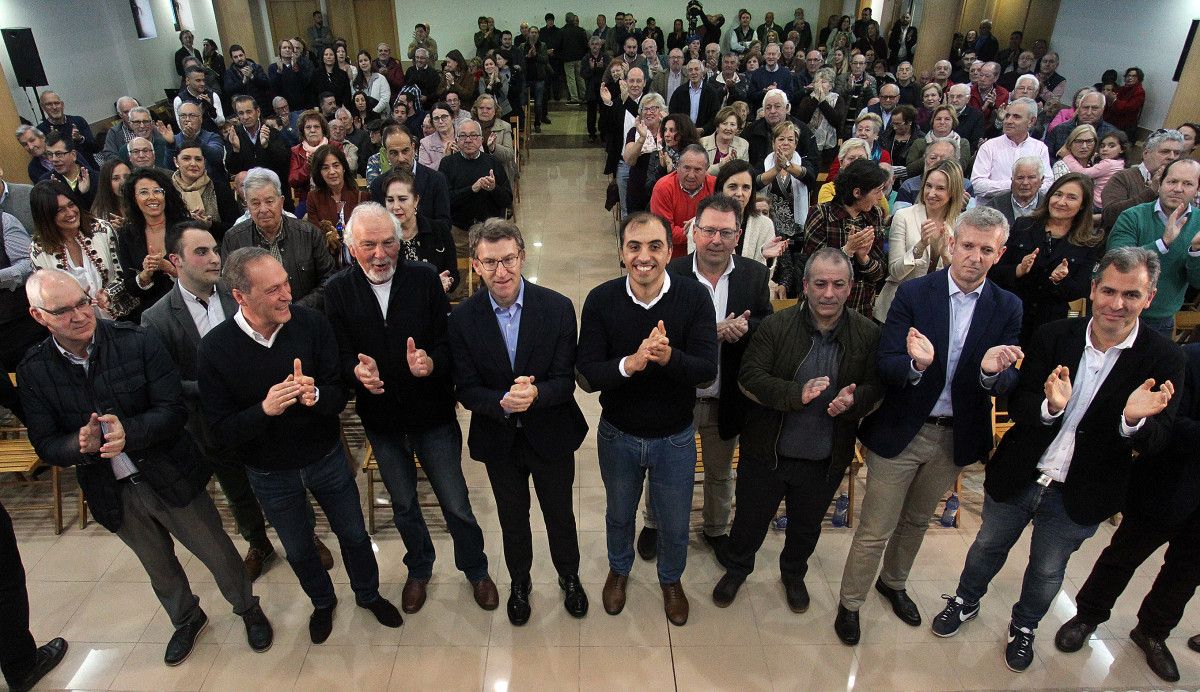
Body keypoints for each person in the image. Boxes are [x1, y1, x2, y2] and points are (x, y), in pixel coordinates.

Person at [932, 245, 1184, 671]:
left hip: (1082, 492)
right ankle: (965, 600)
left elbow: (1158, 440)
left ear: (1150, 298)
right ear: (1092, 289)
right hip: (1021, 472)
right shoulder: (1054, 336)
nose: (1116, 304)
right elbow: (1021, 401)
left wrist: (1131, 421)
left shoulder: (1164, 358)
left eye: (1131, 295)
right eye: (1108, 291)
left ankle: (1025, 626)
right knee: (987, 546)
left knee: (1048, 571)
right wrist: (1050, 408)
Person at [20, 267, 274, 665]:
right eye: (63, 311)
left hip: (169, 474)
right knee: (157, 563)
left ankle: (247, 607)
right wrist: (77, 444)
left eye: (83, 302)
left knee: (216, 551)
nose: (80, 315)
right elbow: (45, 443)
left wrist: (130, 434)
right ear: (39, 316)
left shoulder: (135, 341)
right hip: (111, 490)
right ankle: (186, 618)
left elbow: (173, 410)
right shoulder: (35, 370)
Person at [834, 206, 1023, 646]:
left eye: (986, 250)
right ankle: (850, 603)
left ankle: (893, 584)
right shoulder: (916, 294)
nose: (975, 257)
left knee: (918, 520)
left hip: (954, 436)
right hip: (902, 429)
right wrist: (916, 365)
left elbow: (1010, 377)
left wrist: (992, 374)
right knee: (875, 528)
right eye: (968, 246)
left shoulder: (1008, 305)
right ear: (952, 244)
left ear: (1000, 254)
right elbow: (888, 363)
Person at [197, 247, 400, 643]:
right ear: (240, 296)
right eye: (273, 289)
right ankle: (323, 603)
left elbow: (340, 395)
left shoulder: (311, 325)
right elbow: (219, 432)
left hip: (325, 458)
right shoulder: (215, 349)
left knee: (355, 535)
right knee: (299, 548)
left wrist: (317, 397)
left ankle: (368, 594)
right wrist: (264, 410)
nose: (287, 294)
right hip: (270, 472)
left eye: (287, 282)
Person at [324, 203, 496, 615]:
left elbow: (446, 343)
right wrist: (354, 372)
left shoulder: (423, 280)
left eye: (388, 243)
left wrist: (431, 363)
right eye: (369, 245)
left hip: (433, 416)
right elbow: (338, 354)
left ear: (400, 242)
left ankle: (476, 569)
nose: (380, 254)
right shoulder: (336, 291)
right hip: (381, 422)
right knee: (403, 504)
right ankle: (419, 567)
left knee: (455, 502)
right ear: (351, 247)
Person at [715, 246, 882, 609]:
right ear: (804, 286)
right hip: (767, 453)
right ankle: (737, 569)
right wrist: (795, 393)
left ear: (850, 288)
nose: (828, 293)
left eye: (838, 285)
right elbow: (749, 377)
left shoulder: (867, 334)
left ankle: (792, 574)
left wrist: (855, 401)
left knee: (806, 529)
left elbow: (876, 388)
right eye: (820, 283)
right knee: (748, 522)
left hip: (824, 457)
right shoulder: (776, 325)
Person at [576, 211, 718, 626]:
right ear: (622, 252)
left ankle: (670, 580)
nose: (644, 256)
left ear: (669, 249)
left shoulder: (693, 298)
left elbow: (707, 369)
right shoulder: (602, 299)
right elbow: (586, 375)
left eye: (655, 246)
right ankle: (619, 570)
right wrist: (630, 364)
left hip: (675, 437)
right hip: (618, 434)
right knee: (619, 513)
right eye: (634, 246)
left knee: (674, 521)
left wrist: (668, 356)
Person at [446, 217, 588, 625]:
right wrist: (504, 402)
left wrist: (536, 394)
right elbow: (466, 388)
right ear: (475, 265)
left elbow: (565, 381)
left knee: (560, 514)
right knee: (512, 518)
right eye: (490, 263)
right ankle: (520, 582)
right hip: (499, 439)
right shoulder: (462, 320)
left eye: (509, 259)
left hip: (551, 434)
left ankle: (570, 577)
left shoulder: (558, 308)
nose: (501, 271)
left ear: (522, 257)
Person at [1056, 343, 1200, 682]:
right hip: (1169, 484)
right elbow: (1168, 425)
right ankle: (1087, 616)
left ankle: (1153, 631)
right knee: (1122, 556)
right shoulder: (1188, 359)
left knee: (1187, 572)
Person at [646, 194, 772, 558]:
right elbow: (656, 329)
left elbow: (765, 322)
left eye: (726, 232)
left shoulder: (754, 274)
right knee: (663, 468)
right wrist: (709, 331)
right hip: (678, 394)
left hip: (725, 395)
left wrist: (744, 329)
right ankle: (654, 523)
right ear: (694, 232)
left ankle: (716, 528)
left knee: (719, 472)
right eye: (709, 231)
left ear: (738, 235)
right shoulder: (671, 274)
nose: (716, 239)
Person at [990, 173, 1104, 344]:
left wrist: (1060, 280)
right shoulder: (1023, 226)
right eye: (1058, 194)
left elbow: (1083, 292)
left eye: (1071, 197)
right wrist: (1018, 270)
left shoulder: (1089, 244)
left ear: (1082, 205)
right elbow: (993, 272)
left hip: (1053, 329)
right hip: (1011, 320)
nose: (1061, 202)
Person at [1107, 158, 1200, 336]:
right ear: (1160, 183)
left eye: (1187, 183)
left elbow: (1197, 282)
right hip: (1116, 312)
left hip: (1160, 321)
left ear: (1197, 189)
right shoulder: (1132, 216)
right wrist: (1163, 242)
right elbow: (1116, 262)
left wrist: (1196, 252)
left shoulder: (1198, 223)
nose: (1178, 188)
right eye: (1172, 181)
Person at [222, 168, 337, 310]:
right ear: (247, 206)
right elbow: (229, 289)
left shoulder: (309, 233)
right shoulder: (234, 239)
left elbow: (329, 279)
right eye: (255, 203)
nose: (263, 209)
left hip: (306, 316)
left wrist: (298, 309)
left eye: (269, 201)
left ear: (281, 201)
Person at [876, 159, 965, 321]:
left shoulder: (959, 225)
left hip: (935, 311)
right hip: (898, 308)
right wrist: (921, 245)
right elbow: (895, 272)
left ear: (953, 191)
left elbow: (960, 279)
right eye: (928, 186)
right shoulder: (904, 216)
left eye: (940, 188)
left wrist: (946, 257)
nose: (931, 193)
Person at [798, 159, 889, 317]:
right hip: (821, 309)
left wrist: (863, 258)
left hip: (860, 310)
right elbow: (812, 268)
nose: (880, 197)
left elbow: (879, 273)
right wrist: (847, 251)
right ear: (857, 193)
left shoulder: (876, 215)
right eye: (877, 191)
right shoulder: (820, 214)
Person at [28, 180, 126, 318]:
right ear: (45, 216)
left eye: (71, 205)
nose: (70, 213)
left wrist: (109, 294)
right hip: (76, 324)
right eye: (60, 210)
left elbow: (125, 273)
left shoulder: (102, 230)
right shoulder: (38, 250)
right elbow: (47, 299)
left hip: (121, 316)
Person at [439, 119, 513, 253]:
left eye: (473, 135)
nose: (468, 140)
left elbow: (507, 199)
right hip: (459, 234)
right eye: (463, 136)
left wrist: (493, 188)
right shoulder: (447, 164)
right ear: (457, 140)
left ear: (481, 139)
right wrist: (472, 189)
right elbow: (444, 200)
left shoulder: (492, 162)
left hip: (491, 232)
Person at [379, 169, 457, 293]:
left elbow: (453, 276)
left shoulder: (439, 230)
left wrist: (446, 282)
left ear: (416, 200)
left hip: (434, 307)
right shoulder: (379, 237)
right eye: (390, 200)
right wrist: (431, 286)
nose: (396, 206)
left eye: (402, 199)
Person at [703, 158, 787, 268]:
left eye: (746, 187)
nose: (739, 193)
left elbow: (763, 278)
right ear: (720, 189)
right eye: (732, 187)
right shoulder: (702, 223)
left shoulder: (765, 225)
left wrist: (763, 257)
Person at [367, 123, 452, 227]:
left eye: (405, 151)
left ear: (413, 147)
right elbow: (377, 226)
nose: (401, 158)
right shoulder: (377, 185)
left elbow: (444, 224)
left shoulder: (436, 180)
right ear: (386, 153)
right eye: (394, 153)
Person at [1101, 129, 1185, 230]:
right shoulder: (1123, 177)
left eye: (1176, 153)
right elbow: (1109, 216)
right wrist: (1151, 191)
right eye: (1165, 152)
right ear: (1146, 153)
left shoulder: (1181, 185)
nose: (1172, 157)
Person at [971, 98, 1052, 200]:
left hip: (1028, 211)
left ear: (1031, 121)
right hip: (991, 210)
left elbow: (1048, 184)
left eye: (1016, 117)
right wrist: (1016, 185)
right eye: (1007, 116)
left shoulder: (1040, 148)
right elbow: (977, 186)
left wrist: (1020, 186)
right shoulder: (989, 146)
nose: (1008, 121)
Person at [224, 95, 293, 210]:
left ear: (258, 111)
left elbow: (284, 162)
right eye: (241, 113)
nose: (245, 117)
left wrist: (267, 146)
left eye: (249, 112)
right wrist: (236, 150)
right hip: (250, 197)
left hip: (276, 193)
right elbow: (231, 169)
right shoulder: (234, 135)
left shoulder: (273, 133)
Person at [650, 144, 715, 259]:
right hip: (672, 259)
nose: (691, 175)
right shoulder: (663, 188)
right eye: (686, 168)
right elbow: (664, 231)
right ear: (677, 166)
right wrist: (704, 232)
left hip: (706, 257)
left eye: (698, 170)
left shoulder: (716, 186)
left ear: (707, 169)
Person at [305, 144, 365, 266]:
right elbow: (315, 236)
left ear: (343, 168)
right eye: (325, 168)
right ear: (319, 172)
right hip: (328, 263)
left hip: (359, 262)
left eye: (336, 165)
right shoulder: (313, 198)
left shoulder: (361, 196)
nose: (332, 172)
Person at [171, 138, 239, 240]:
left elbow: (235, 227)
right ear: (176, 162)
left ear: (204, 162)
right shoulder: (168, 189)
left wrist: (210, 225)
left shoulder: (219, 188)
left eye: (198, 159)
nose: (193, 164)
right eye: (186, 158)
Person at [36, 91, 100, 170]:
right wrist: (53, 142)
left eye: (56, 103)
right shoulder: (41, 130)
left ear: (62, 105)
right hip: (65, 176)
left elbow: (96, 148)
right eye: (49, 104)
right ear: (43, 107)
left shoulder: (78, 121)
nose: (54, 107)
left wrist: (80, 139)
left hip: (90, 170)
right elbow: (46, 161)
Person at [983, 156, 1047, 225]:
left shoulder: (1048, 206)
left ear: (1041, 180)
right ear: (1012, 180)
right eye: (1020, 178)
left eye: (1031, 177)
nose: (1025, 182)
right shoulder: (994, 206)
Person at [43, 132, 97, 210]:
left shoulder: (95, 178)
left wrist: (86, 193)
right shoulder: (46, 183)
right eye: (50, 154)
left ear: (73, 155)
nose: (54, 159)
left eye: (59, 154)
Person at [669, 60, 720, 135]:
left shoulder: (711, 92)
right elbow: (673, 113)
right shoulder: (679, 92)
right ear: (687, 73)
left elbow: (715, 116)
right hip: (683, 134)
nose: (693, 72)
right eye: (690, 70)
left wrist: (703, 129)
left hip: (706, 135)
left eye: (696, 69)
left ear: (702, 72)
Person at [700, 106, 749, 174]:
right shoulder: (703, 143)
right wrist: (720, 165)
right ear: (717, 126)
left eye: (732, 124)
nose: (728, 128)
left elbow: (744, 172)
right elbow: (699, 172)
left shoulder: (743, 144)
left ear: (737, 129)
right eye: (724, 124)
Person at [222, 45, 271, 110]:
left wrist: (252, 76)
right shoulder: (229, 73)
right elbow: (228, 91)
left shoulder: (256, 67)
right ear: (232, 59)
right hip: (242, 108)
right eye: (236, 57)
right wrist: (243, 82)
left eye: (241, 55)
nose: (239, 59)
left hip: (261, 106)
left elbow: (267, 84)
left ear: (245, 55)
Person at [98, 96, 141, 166]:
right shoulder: (114, 132)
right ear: (120, 115)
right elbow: (109, 155)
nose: (130, 115)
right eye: (126, 112)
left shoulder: (149, 126)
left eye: (133, 110)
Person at [1107, 67, 1147, 143]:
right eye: (1128, 75)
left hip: (1127, 127)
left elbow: (1131, 107)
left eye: (1133, 76)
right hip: (1114, 124)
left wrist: (1114, 100)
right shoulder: (1121, 89)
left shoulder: (1139, 92)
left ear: (1139, 79)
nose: (1130, 78)